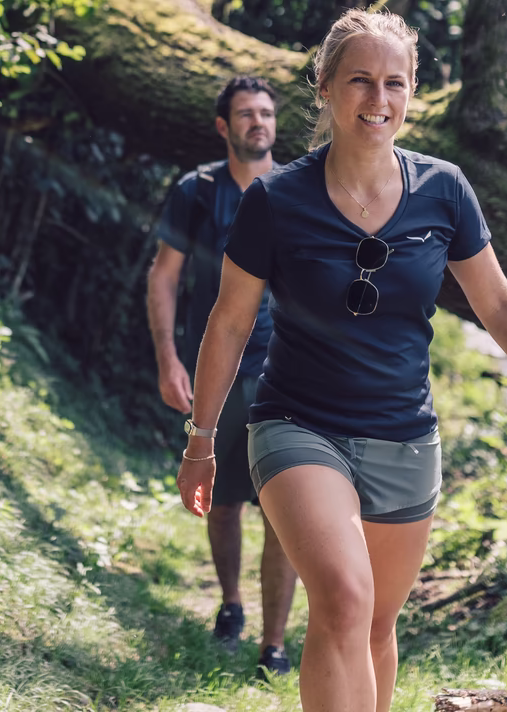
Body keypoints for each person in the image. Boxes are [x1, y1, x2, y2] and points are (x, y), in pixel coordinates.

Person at [175, 10, 507, 712]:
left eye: (394, 83)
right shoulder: (275, 201)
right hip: (297, 426)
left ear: (411, 93)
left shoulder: (444, 191)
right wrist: (202, 441)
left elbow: (497, 303)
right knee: (344, 601)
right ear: (323, 86)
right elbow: (228, 324)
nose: (377, 99)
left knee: (377, 622)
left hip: (405, 439)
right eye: (359, 80)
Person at [146, 76, 300, 676]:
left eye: (266, 113)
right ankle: (232, 605)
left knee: (283, 506)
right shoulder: (198, 191)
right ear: (223, 126)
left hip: (286, 370)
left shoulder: (298, 189)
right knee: (223, 498)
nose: (258, 122)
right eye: (245, 114)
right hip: (216, 367)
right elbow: (164, 275)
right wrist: (167, 357)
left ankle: (276, 643)